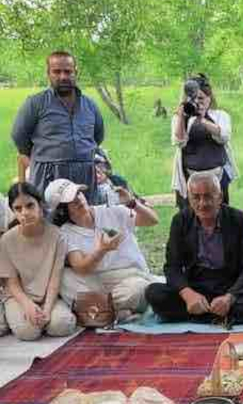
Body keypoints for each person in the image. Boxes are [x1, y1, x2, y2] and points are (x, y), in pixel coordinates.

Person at [145, 171, 243, 325]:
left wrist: (229, 297)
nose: (202, 203)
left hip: (229, 284)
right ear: (189, 198)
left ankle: (200, 315)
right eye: (196, 197)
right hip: (197, 285)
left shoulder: (239, 220)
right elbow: (172, 267)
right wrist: (188, 295)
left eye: (208, 196)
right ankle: (218, 316)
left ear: (219, 197)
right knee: (154, 293)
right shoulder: (180, 221)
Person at [46, 179, 159, 320]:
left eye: (79, 193)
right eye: (70, 199)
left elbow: (152, 220)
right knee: (64, 278)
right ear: (62, 210)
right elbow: (81, 267)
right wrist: (101, 250)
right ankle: (114, 313)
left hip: (130, 276)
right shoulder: (66, 232)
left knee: (138, 290)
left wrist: (132, 203)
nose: (78, 199)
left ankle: (96, 312)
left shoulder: (110, 210)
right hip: (97, 280)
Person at [11, 51, 104, 203]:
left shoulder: (90, 105)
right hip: (48, 175)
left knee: (85, 220)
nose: (63, 77)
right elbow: (19, 136)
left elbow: (97, 136)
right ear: (48, 74)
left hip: (84, 175)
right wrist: (44, 157)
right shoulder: (35, 103)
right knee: (49, 221)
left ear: (76, 72)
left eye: (68, 71)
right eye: (57, 71)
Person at [0, 183, 78, 341]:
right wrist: (28, 306)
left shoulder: (57, 235)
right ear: (13, 211)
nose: (25, 213)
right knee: (28, 332)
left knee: (61, 325)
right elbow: (11, 283)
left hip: (49, 295)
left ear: (40, 205)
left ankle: (43, 316)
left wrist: (48, 309)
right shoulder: (7, 240)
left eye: (30, 205)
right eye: (18, 208)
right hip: (18, 297)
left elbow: (55, 278)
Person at [171, 74, 237, 209]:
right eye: (193, 98)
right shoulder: (180, 118)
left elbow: (223, 136)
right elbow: (179, 141)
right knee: (190, 219)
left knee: (219, 217)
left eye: (201, 98)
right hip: (190, 178)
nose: (197, 102)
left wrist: (202, 120)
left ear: (209, 98)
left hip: (217, 177)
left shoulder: (220, 115)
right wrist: (181, 118)